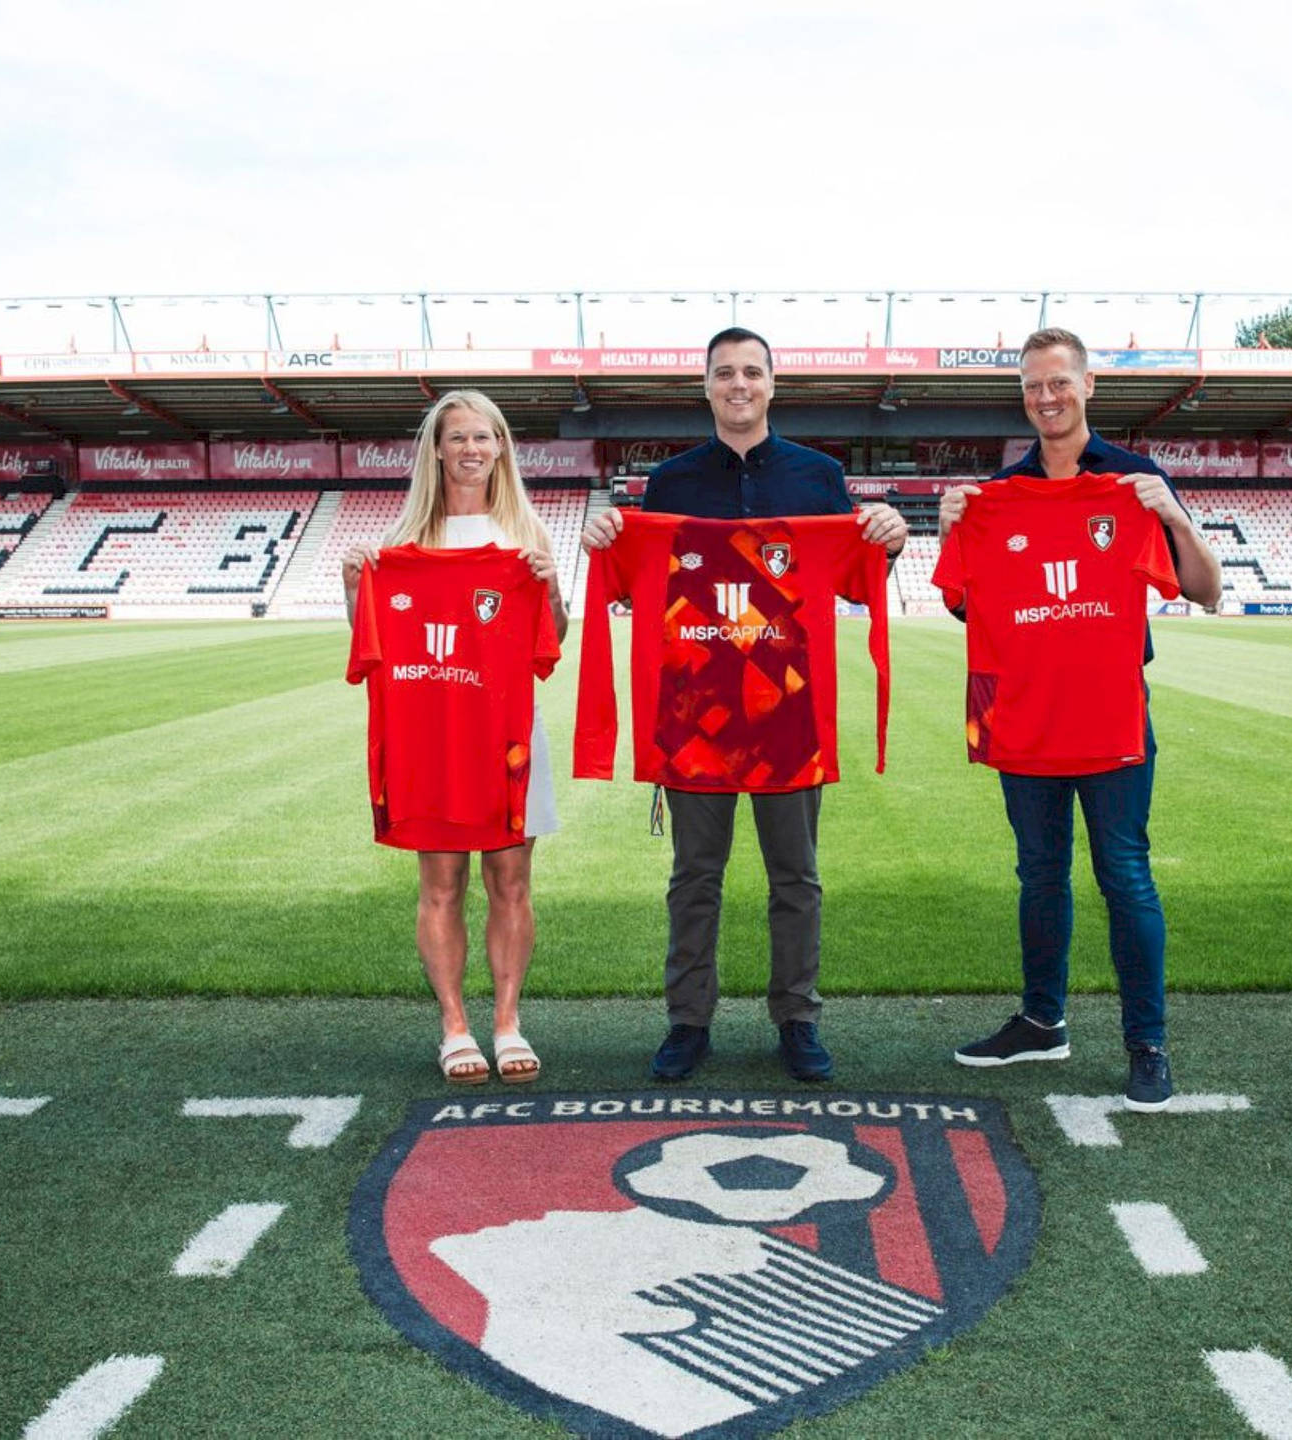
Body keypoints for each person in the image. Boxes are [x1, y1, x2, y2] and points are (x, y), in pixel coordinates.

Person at [581, 327, 908, 1082]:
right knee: (695, 877)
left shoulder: (820, 476)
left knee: (797, 877)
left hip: (788, 712)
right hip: (695, 712)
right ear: (706, 385)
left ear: (772, 384)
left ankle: (797, 1018)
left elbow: (856, 579)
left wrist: (886, 539)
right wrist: (606, 536)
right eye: (724, 373)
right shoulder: (669, 486)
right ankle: (688, 1022)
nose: (739, 384)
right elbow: (633, 584)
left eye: (752, 372)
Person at [938, 328, 1222, 1110]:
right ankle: (1042, 1019)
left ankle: (1148, 1042)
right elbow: (963, 601)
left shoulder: (1132, 483)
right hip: (1024, 714)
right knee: (1038, 874)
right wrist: (951, 526)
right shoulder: (1000, 494)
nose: (1046, 397)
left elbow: (1207, 591)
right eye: (1033, 386)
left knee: (1124, 875)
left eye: (1059, 382)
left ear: (1088, 385)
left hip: (1110, 715)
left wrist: (1175, 518)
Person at [344, 390, 569, 1085]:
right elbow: (371, 651)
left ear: (501, 448)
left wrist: (552, 587)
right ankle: (453, 1025)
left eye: (484, 436)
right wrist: (357, 589)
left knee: (512, 881)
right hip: (434, 734)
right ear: (436, 451)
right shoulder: (402, 548)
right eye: (458, 437)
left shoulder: (526, 537)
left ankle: (507, 1021)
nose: (472, 449)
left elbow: (550, 643)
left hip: (507, 735)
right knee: (441, 884)